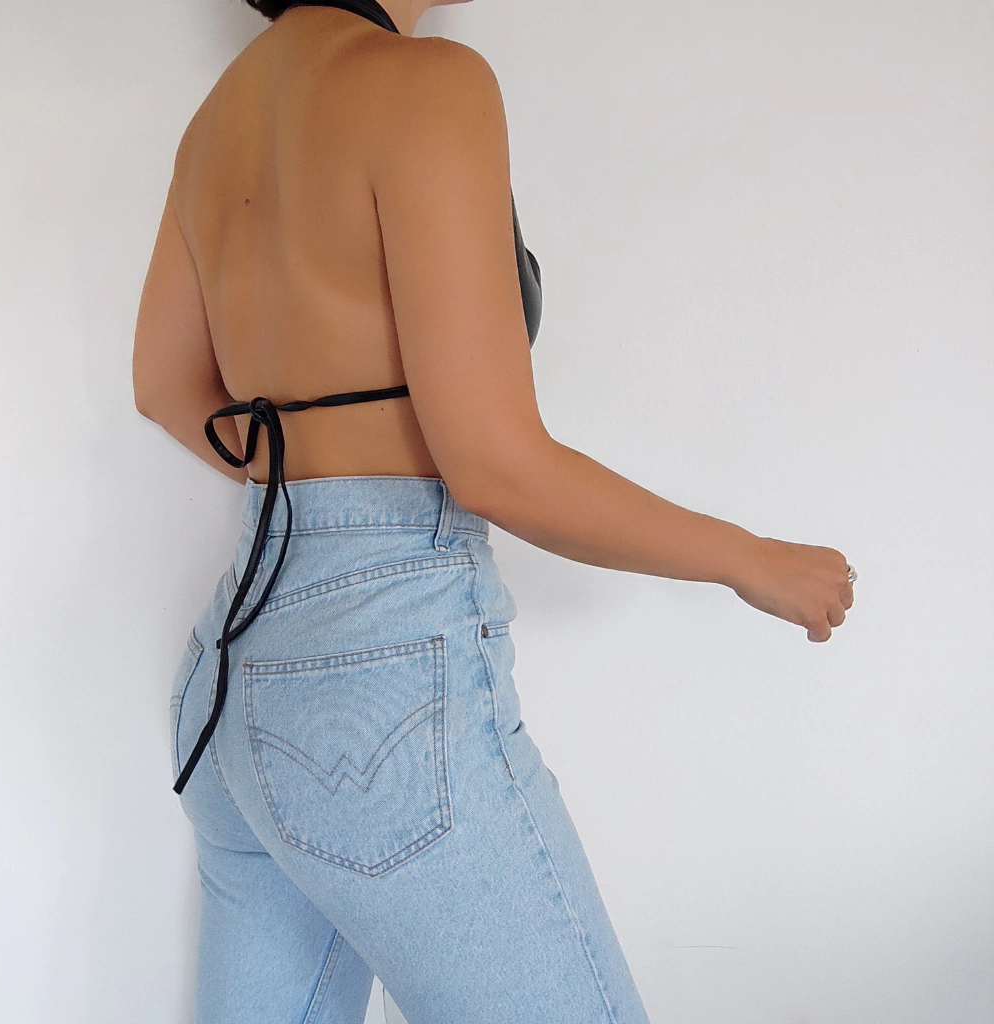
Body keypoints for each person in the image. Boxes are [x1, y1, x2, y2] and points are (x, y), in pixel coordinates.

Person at [132, 1, 856, 1021]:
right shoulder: (428, 83)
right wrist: (749, 558)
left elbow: (164, 386)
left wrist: (315, 472)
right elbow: (496, 467)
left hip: (232, 673)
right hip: (377, 691)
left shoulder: (218, 118)